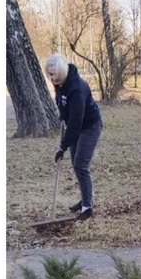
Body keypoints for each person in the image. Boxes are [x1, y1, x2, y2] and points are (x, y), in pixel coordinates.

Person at [45, 53, 103, 220]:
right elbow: (62, 103)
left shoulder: (76, 88)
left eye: (54, 74)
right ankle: (87, 198)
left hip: (89, 126)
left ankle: (87, 208)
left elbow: (77, 122)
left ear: (62, 72)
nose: (51, 78)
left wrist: (62, 146)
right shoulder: (60, 83)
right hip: (75, 127)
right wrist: (63, 114)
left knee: (80, 165)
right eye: (49, 74)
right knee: (76, 164)